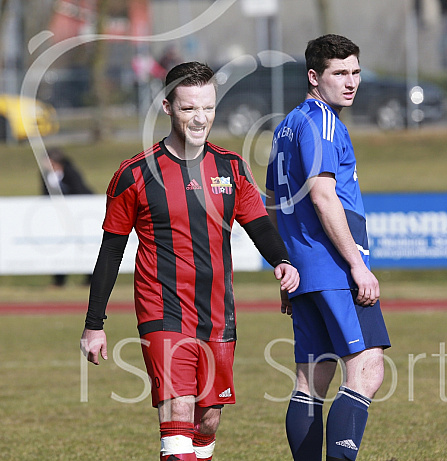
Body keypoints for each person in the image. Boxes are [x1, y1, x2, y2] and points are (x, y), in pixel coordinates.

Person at [80, 61, 299, 461]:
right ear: (167, 107)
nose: (200, 118)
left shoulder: (231, 168)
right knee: (178, 410)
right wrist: (95, 324)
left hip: (218, 313)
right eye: (188, 109)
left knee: (207, 420)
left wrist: (281, 260)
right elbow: (111, 251)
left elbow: (260, 226)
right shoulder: (134, 175)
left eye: (208, 108)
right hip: (162, 310)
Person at [265, 35, 391, 461]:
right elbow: (322, 195)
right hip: (334, 268)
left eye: (355, 72)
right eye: (339, 73)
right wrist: (357, 265)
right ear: (314, 77)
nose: (350, 81)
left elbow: (273, 203)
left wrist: (285, 267)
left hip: (304, 269)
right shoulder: (321, 122)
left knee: (311, 383)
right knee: (367, 369)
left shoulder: (286, 126)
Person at [40, 147, 94, 287]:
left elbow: (79, 191)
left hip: (79, 216)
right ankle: (59, 281)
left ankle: (90, 279)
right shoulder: (45, 176)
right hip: (60, 218)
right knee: (59, 248)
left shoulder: (70, 172)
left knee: (84, 247)